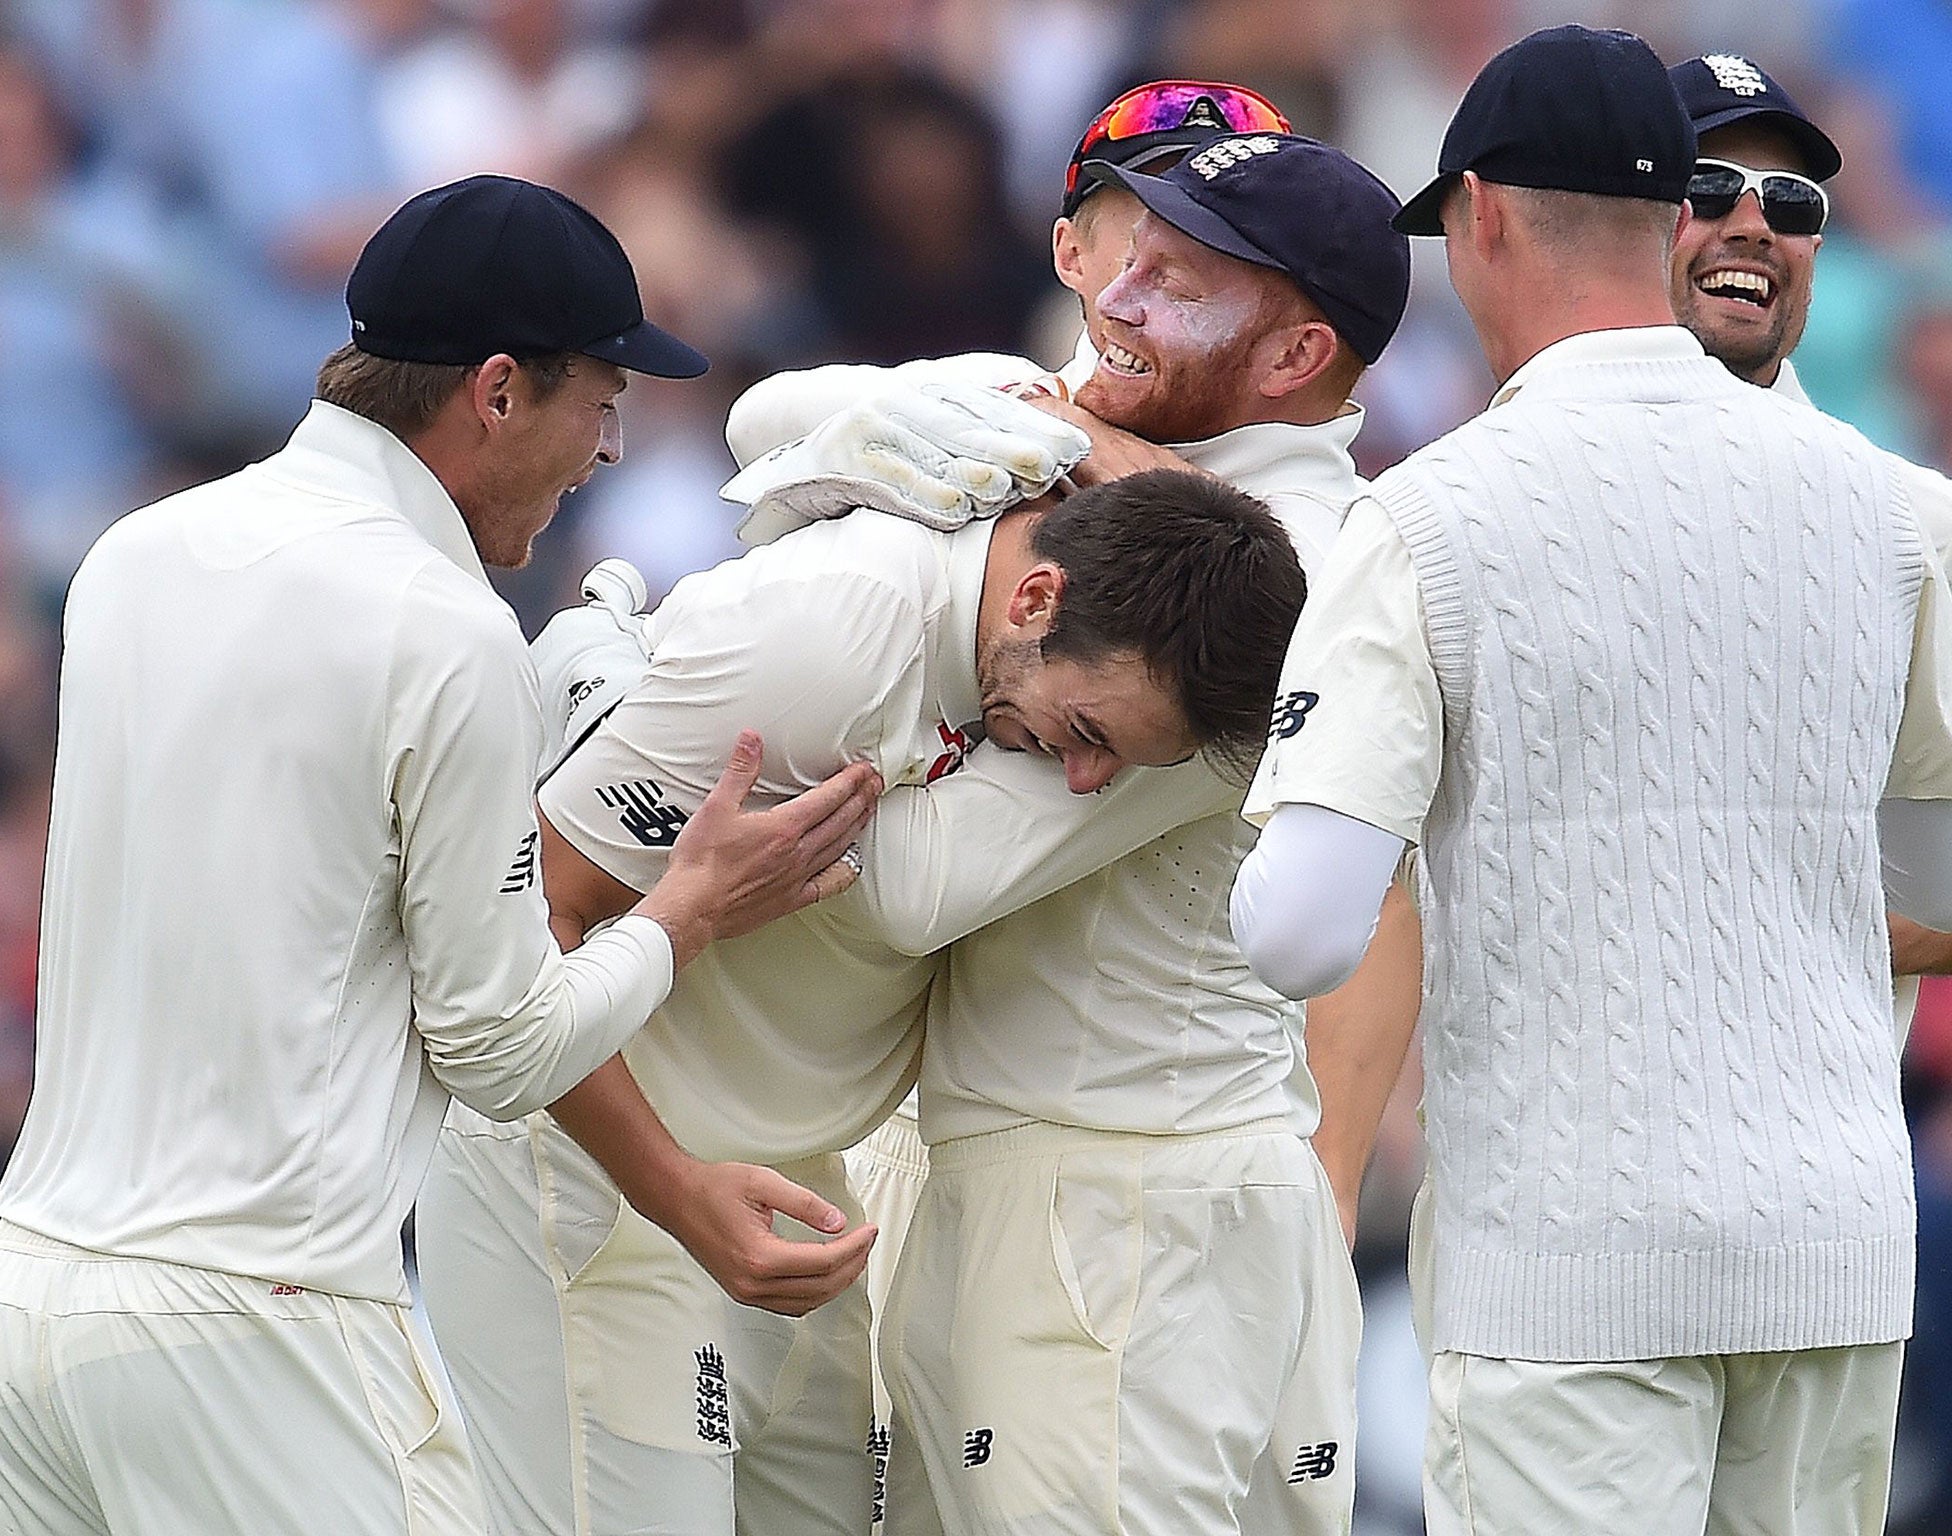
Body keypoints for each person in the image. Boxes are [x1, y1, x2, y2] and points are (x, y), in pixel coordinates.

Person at [0, 174, 880, 1536]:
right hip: (261, 1328)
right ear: (497, 390)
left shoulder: (138, 554)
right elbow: (502, 1051)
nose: (605, 451)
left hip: (37, 1304)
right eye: (602, 403)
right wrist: (689, 910)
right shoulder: (441, 624)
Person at [1230, 26, 1952, 1536]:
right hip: (1831, 1249)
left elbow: (1302, 931)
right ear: (1673, 224)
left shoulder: (1427, 518)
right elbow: (1945, 882)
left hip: (1568, 1270)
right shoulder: (1879, 497)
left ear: (1485, 217)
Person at [723, 91, 1426, 1535]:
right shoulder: (1078, 436)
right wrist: (1043, 441)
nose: (1118, 291)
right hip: (1016, 1187)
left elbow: (915, 888)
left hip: (1120, 1214)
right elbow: (760, 416)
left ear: (1296, 353)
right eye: (1128, 251)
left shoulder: (1286, 586)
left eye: (1180, 277)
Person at [415, 461, 1312, 1536]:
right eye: (1083, 733)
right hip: (601, 1186)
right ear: (1034, 601)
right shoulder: (831, 638)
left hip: (787, 1191)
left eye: (1114, 763)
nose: (1078, 785)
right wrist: (674, 1188)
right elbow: (532, 929)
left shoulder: (1028, 635)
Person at [1665, 53, 1952, 1027]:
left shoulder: (1923, 525)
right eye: (1706, 187)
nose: (1751, 221)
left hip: (1808, 1152)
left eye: (1791, 201)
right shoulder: (1488, 496)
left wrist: (1844, 939)